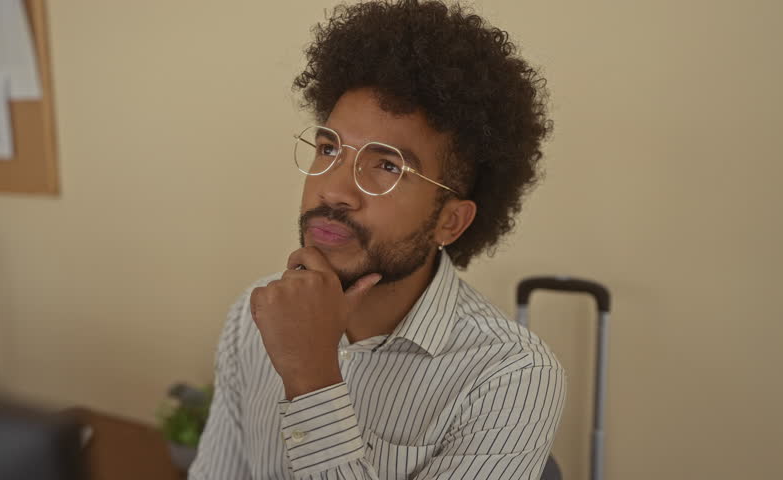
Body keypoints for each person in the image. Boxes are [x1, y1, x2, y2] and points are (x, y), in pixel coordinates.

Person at [190, 1, 565, 478]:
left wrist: (311, 379)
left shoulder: (511, 376)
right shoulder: (254, 312)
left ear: (451, 222)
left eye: (388, 165)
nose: (334, 189)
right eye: (329, 149)